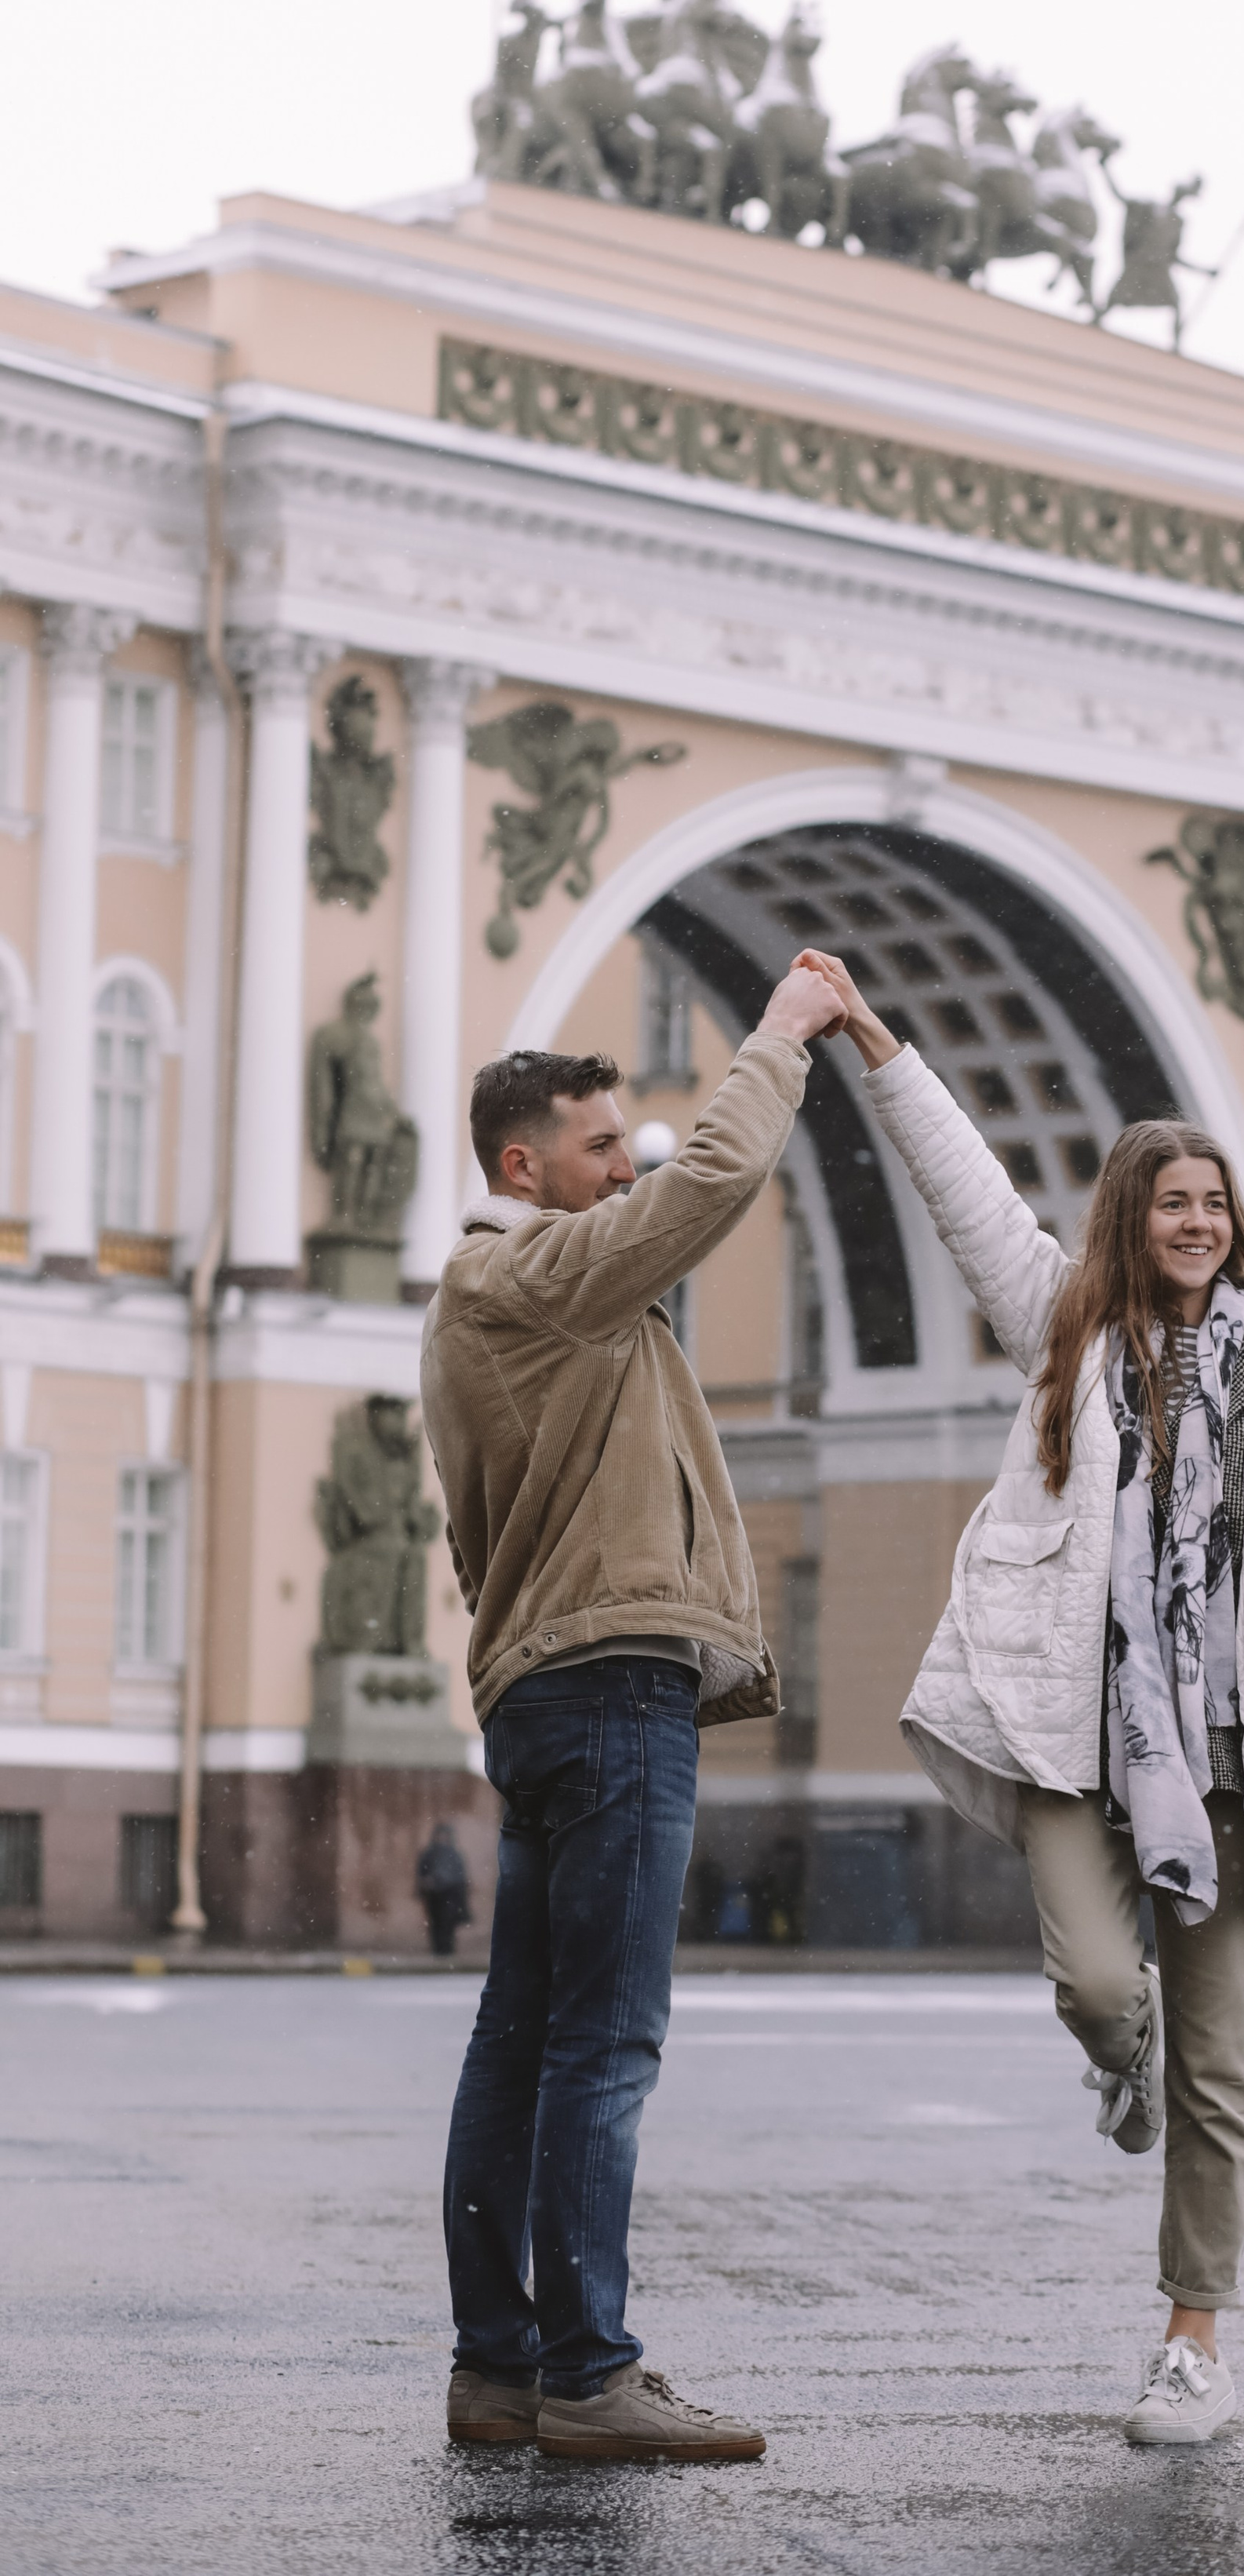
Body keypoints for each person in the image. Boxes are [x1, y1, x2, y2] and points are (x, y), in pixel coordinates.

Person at [797, 948, 1244, 2447]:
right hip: (1075, 1728)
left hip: (1232, 1754)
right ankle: (1128, 2073)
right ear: (1132, 1218)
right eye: (1173, 1203)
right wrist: (875, 1042)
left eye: (1216, 1203)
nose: (1199, 1223)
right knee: (1103, 1992)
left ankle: (1192, 2343)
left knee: (1224, 2061)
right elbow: (970, 1194)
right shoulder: (1069, 1326)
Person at [420, 972, 843, 2464]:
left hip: (554, 1684)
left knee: (526, 2035)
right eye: (601, 1145)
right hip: (609, 1685)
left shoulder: (513, 1304)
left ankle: (499, 2366)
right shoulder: (532, 1274)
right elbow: (715, 1179)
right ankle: (589, 2371)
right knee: (604, 2041)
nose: (630, 1165)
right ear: (521, 1166)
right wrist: (781, 1037)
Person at [415, 1821, 472, 1959]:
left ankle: (448, 1950)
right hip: (434, 1895)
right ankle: (438, 1950)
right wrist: (427, 1883)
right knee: (436, 1922)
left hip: (451, 1895)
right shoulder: (429, 1854)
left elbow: (460, 1875)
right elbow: (422, 1873)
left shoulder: (454, 1854)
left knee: (449, 1923)